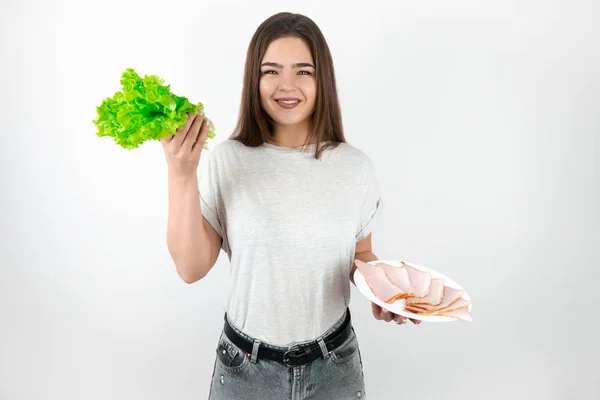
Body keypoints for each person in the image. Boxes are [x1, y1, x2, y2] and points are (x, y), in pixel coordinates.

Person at [161, 11, 420, 400]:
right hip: (245, 369)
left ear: (322, 80)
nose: (287, 85)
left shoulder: (355, 167)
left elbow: (359, 254)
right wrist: (182, 173)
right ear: (254, 79)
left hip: (334, 366)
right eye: (271, 71)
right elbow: (190, 267)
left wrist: (385, 292)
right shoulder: (228, 159)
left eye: (303, 71)